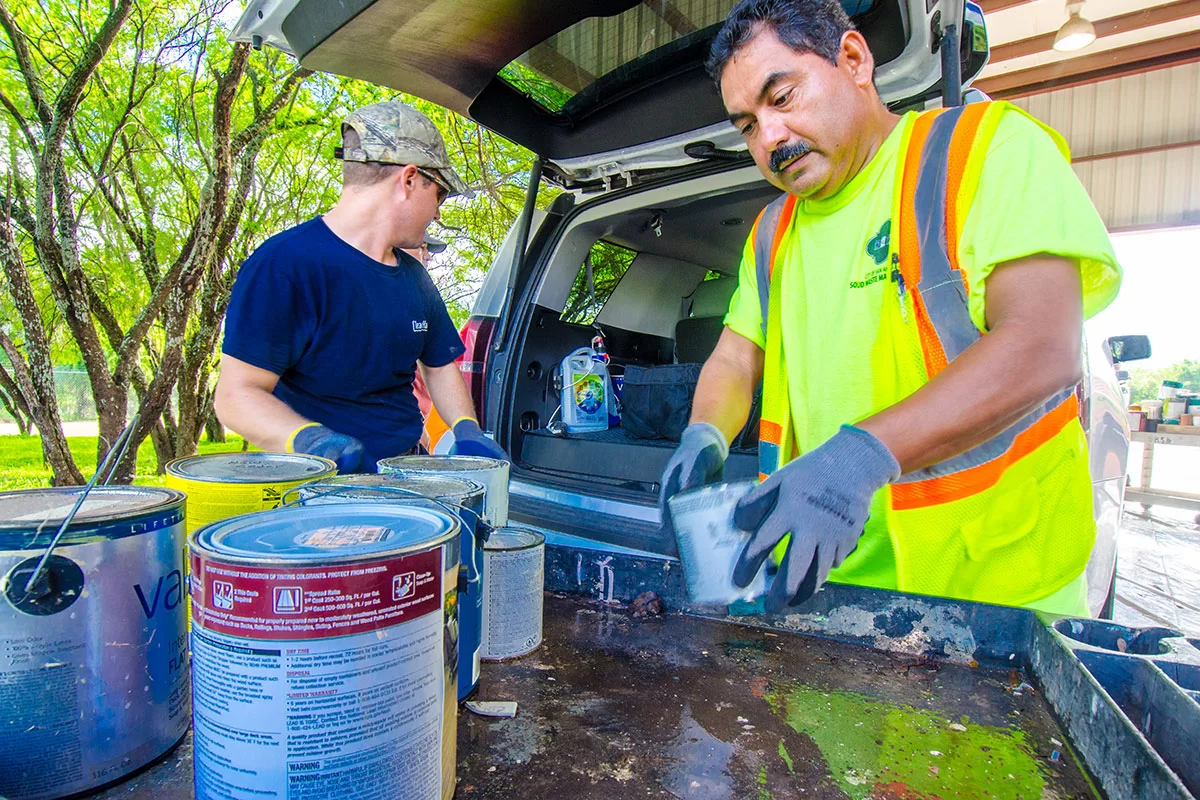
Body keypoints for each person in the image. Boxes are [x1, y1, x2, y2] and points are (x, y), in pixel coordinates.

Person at [659, 0, 1121, 616]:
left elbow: (1042, 344)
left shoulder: (985, 150)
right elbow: (737, 358)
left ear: (853, 59)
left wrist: (863, 454)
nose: (768, 137)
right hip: (830, 588)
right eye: (746, 125)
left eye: (783, 97)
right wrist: (705, 434)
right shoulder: (773, 231)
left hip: (1000, 600)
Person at [214, 101, 507, 472]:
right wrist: (312, 440)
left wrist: (467, 430)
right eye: (439, 194)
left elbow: (439, 366)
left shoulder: (414, 278)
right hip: (317, 489)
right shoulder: (285, 265)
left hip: (406, 476)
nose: (438, 213)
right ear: (410, 179)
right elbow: (235, 395)